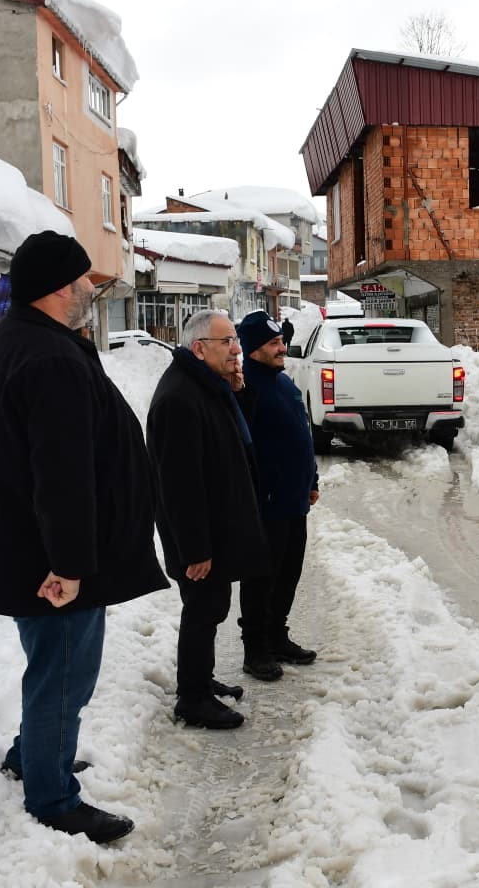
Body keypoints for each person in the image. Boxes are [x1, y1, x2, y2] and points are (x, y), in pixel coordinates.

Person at [0, 230, 168, 844]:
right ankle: (51, 797)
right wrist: (71, 562)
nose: (89, 292)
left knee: (54, 666)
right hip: (50, 560)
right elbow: (62, 472)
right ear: (56, 288)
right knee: (66, 674)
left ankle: (33, 755)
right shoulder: (48, 358)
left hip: (25, 548)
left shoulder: (12, 343)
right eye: (83, 283)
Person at [147, 309, 271, 730]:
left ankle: (199, 679)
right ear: (199, 349)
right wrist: (194, 549)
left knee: (211, 607)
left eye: (236, 340)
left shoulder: (207, 385)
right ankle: (193, 698)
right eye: (227, 342)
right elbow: (178, 484)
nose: (237, 349)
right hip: (200, 538)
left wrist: (238, 390)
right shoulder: (179, 398)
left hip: (217, 528)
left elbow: (239, 438)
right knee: (203, 608)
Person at [236, 311, 320, 666]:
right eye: (273, 343)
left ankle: (276, 636)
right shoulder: (245, 390)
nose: (281, 347)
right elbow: (243, 449)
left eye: (280, 341)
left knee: (288, 574)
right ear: (254, 349)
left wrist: (311, 480)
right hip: (266, 504)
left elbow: (301, 433)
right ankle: (255, 648)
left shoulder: (282, 381)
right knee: (261, 579)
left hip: (294, 500)